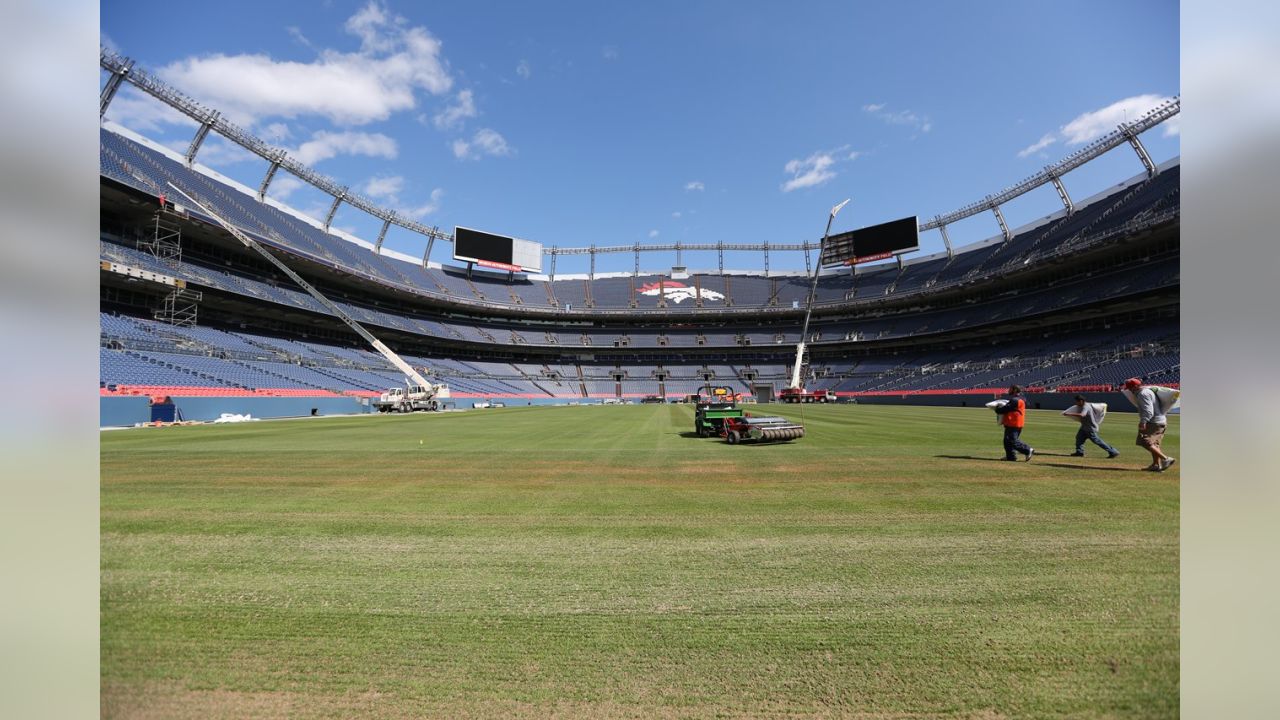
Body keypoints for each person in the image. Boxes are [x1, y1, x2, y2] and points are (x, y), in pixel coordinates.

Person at [1123, 378, 1175, 471]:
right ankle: (1156, 465)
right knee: (1154, 444)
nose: (1129, 390)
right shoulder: (1148, 391)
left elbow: (1148, 411)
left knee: (1144, 441)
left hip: (1153, 422)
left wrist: (1143, 421)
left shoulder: (1143, 394)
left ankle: (1166, 459)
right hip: (1160, 421)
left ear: (1135, 386)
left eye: (1130, 388)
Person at [1067, 394, 1120, 458]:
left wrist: (1068, 414)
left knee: (1098, 441)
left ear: (1081, 401)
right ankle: (1079, 452)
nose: (1076, 403)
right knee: (1079, 438)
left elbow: (1082, 415)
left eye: (1077, 401)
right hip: (1084, 427)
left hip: (1090, 428)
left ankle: (1113, 452)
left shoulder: (1086, 406)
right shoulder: (1087, 404)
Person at [992, 384, 1034, 461]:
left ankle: (1027, 450)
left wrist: (996, 408)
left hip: (1014, 423)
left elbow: (1005, 409)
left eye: (1010, 389)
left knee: (1012, 441)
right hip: (1013, 423)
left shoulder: (1015, 400)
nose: (1008, 390)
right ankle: (1011, 457)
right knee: (1007, 441)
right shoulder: (1019, 399)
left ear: (1014, 390)